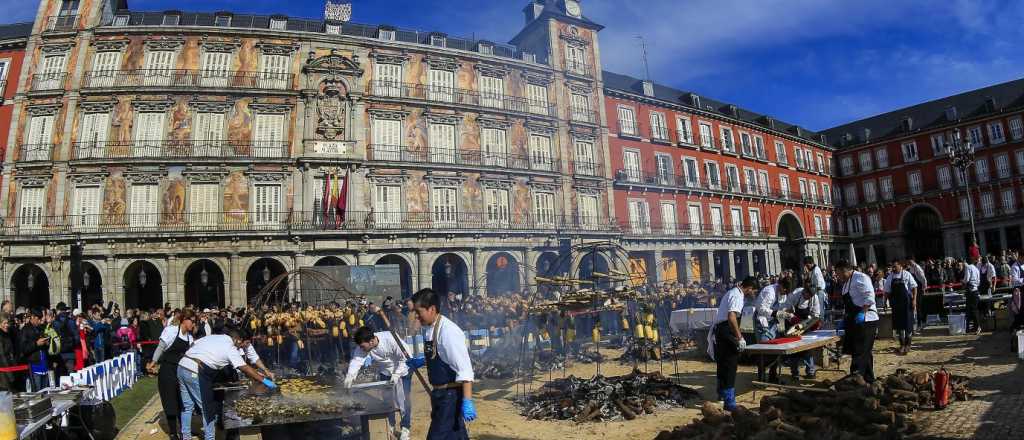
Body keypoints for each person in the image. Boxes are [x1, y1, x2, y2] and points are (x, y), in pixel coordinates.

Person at [178, 329, 276, 440]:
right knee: (207, 409)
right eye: (243, 344)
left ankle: (185, 436)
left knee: (187, 407)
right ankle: (209, 438)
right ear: (238, 340)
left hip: (182, 366)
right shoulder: (230, 347)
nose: (242, 347)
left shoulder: (215, 337)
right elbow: (244, 368)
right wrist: (265, 380)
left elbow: (193, 343)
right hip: (195, 371)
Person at [408, 288, 475, 440]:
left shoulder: (448, 332)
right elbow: (439, 356)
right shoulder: (428, 329)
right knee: (455, 436)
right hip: (438, 395)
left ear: (432, 309)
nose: (416, 317)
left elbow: (465, 369)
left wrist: (467, 401)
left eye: (419, 312)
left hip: (450, 397)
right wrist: (422, 361)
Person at [343, 326, 414, 440]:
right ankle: (390, 425)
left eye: (362, 346)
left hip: (403, 369)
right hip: (385, 371)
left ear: (371, 341)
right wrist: (350, 377)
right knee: (387, 400)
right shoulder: (364, 346)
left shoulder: (391, 339)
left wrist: (396, 374)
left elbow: (406, 358)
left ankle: (405, 428)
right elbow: (357, 360)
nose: (361, 348)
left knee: (403, 400)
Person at [708, 276, 757, 411]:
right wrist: (739, 337)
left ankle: (721, 395)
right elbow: (731, 317)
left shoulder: (732, 292)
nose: (754, 294)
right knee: (730, 365)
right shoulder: (737, 296)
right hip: (726, 330)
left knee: (723, 363)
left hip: (721, 330)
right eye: (754, 291)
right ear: (750, 288)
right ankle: (729, 401)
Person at [148, 310, 195, 440]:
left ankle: (185, 431)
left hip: (181, 371)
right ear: (184, 320)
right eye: (192, 321)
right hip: (167, 370)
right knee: (170, 401)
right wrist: (153, 362)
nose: (194, 324)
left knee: (183, 401)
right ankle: (173, 432)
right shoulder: (171, 331)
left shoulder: (190, 338)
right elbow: (161, 347)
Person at [835, 259, 879, 382]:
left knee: (860, 352)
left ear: (845, 270)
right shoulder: (846, 283)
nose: (838, 277)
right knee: (864, 352)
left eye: (838, 273)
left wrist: (862, 313)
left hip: (867, 320)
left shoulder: (861, 278)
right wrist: (845, 319)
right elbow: (848, 304)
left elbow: (870, 297)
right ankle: (870, 380)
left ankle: (855, 379)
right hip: (854, 321)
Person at [779, 282, 822, 379]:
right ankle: (795, 372)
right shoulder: (794, 294)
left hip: (806, 323)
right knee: (793, 349)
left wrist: (809, 325)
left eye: (811, 295)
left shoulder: (814, 298)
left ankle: (810, 371)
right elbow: (785, 309)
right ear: (804, 291)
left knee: (807, 348)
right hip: (792, 323)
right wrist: (793, 319)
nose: (809, 297)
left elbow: (816, 314)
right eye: (808, 295)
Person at [884, 261, 918, 354]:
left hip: (907, 303)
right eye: (893, 267)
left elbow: (914, 287)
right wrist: (885, 302)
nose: (893, 269)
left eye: (895, 267)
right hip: (895, 304)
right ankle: (902, 345)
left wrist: (914, 300)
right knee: (899, 325)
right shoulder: (890, 277)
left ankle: (908, 345)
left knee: (908, 324)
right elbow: (886, 291)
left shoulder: (907, 275)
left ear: (900, 266)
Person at [960, 259, 982, 335]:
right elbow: (978, 282)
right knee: (974, 309)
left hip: (971, 291)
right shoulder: (976, 269)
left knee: (972, 310)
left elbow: (966, 279)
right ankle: (974, 327)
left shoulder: (968, 267)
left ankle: (978, 326)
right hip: (976, 291)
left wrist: (962, 281)